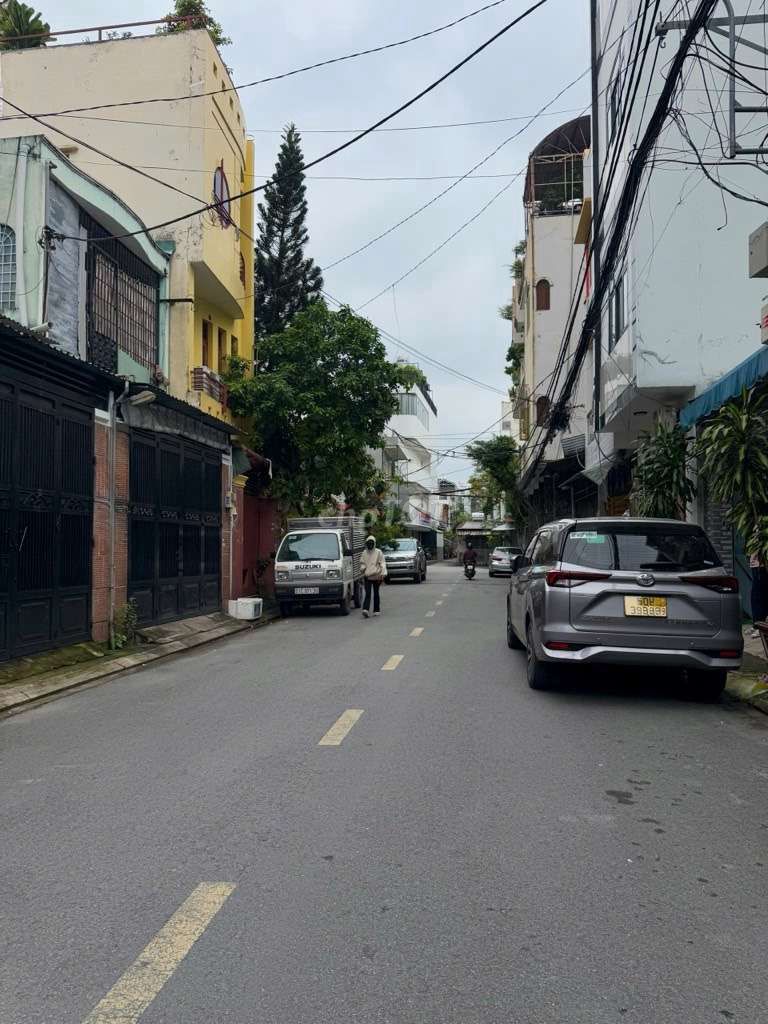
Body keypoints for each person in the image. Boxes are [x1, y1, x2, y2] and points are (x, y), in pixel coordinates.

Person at [360, 535, 387, 618]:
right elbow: (362, 562)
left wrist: (383, 573)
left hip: (376, 576)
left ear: (374, 543)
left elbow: (382, 563)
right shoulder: (364, 553)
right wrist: (363, 568)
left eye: (372, 543)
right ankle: (365, 609)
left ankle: (376, 610)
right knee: (368, 593)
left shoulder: (378, 552)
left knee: (376, 593)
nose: (370, 545)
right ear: (366, 543)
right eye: (369, 543)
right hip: (367, 576)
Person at [749, 552, 768, 639]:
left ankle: (760, 627)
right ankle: (757, 625)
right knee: (756, 595)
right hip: (755, 564)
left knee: (760, 595)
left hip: (762, 564)